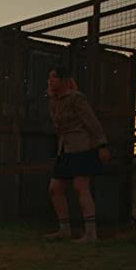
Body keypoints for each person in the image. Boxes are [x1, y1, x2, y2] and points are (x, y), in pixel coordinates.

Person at [44, 66, 111, 243]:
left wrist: (102, 144)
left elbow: (91, 121)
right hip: (64, 149)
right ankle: (64, 229)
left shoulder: (76, 98)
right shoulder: (53, 101)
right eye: (49, 77)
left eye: (54, 77)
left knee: (81, 186)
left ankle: (90, 234)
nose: (50, 80)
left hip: (82, 147)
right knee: (55, 188)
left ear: (64, 80)